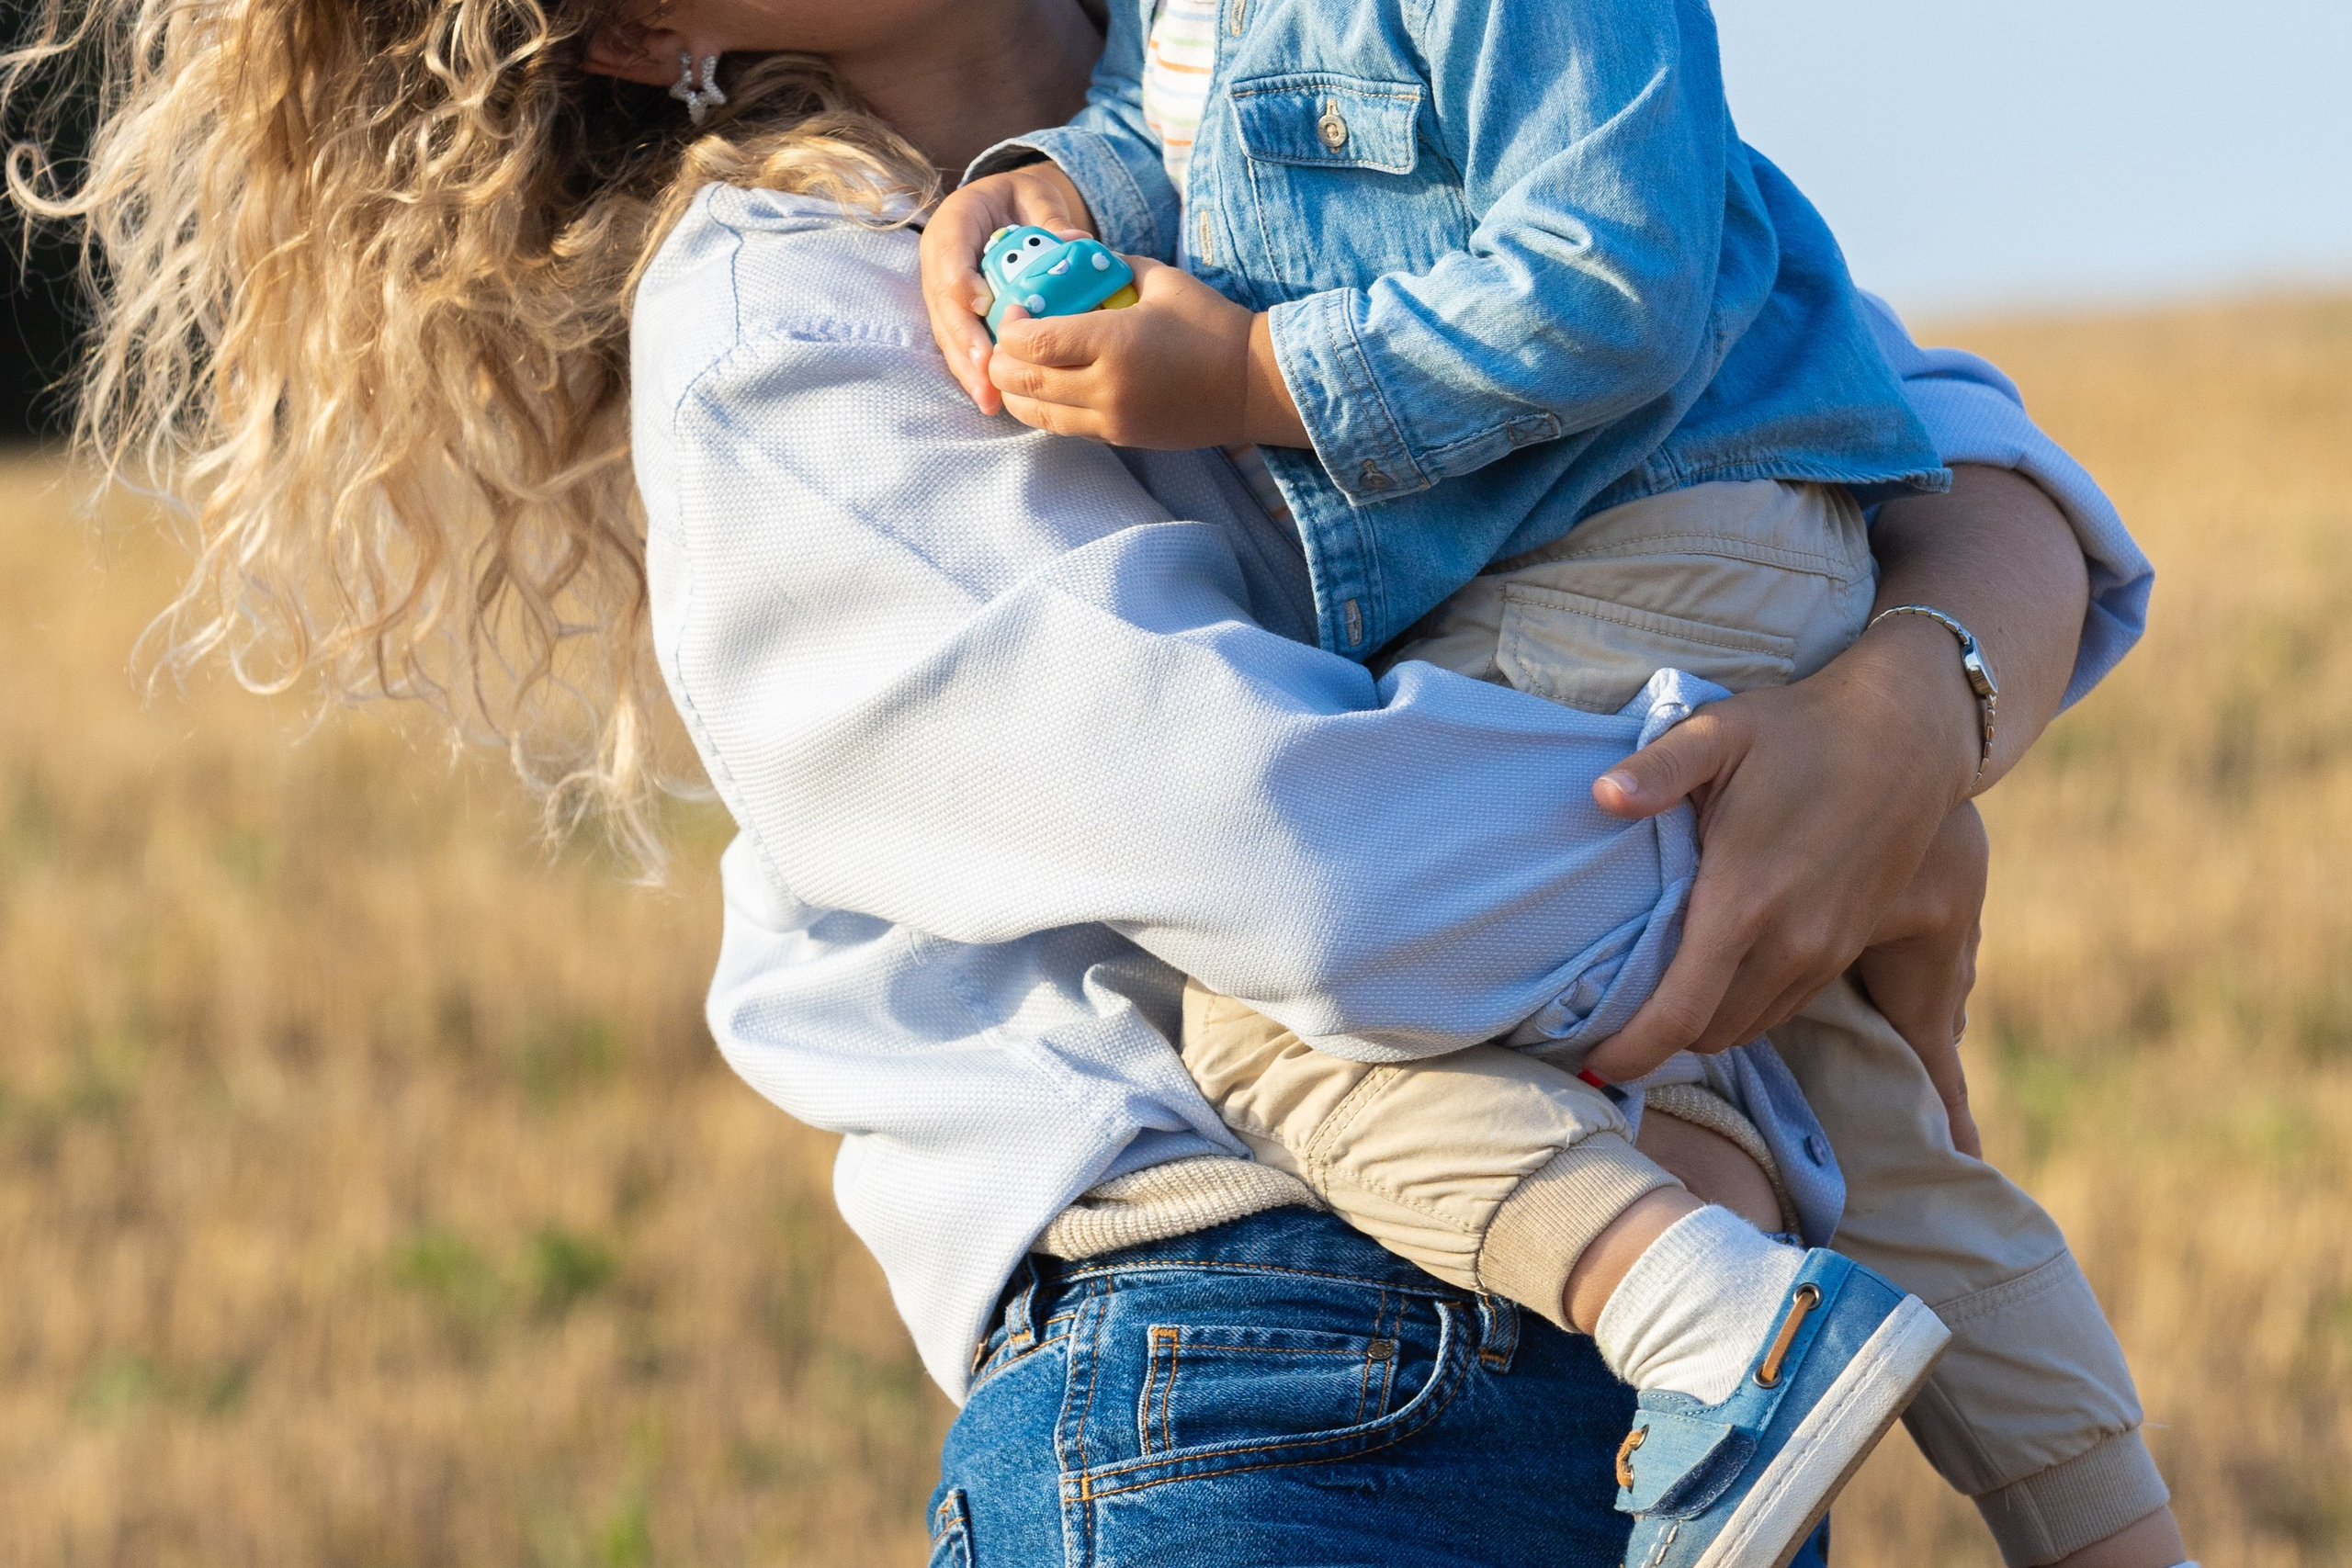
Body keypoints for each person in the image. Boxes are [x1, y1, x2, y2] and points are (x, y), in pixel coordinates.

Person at [1, 0, 2182, 1562]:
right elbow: (1308, 875)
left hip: (1666, 1357)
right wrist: (1812, 826)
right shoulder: (789, 327)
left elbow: (1925, 433)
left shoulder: (1290, 54)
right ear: (641, 34)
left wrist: (1905, 716)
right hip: (1268, 1379)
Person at [914, 2, 2187, 1562]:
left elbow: (1615, 275)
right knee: (1866, 1123)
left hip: (1628, 548)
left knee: (1269, 1022)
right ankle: (2118, 1537)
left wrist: (1256, 374)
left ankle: (1716, 1328)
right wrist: (1052, 182)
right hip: (1675, 556)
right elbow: (1181, 121)